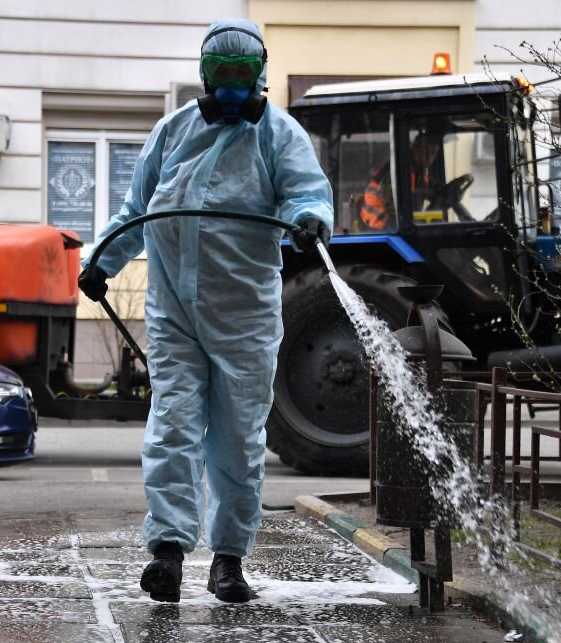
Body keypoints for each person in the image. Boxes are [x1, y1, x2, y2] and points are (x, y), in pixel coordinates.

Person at [76, 18, 333, 604]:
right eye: (223, 75)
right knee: (173, 427)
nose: (233, 89)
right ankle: (167, 552)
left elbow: (307, 192)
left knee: (238, 439)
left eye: (244, 76)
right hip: (174, 312)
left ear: (260, 75)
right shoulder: (172, 132)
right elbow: (137, 209)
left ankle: (229, 559)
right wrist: (102, 262)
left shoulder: (279, 135)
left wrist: (309, 219)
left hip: (245, 317)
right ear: (205, 75)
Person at [360, 132, 442, 230]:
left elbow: (436, 191)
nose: (429, 157)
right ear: (415, 149)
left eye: (433, 153)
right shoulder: (398, 171)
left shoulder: (419, 173)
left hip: (394, 224)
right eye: (425, 152)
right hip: (379, 227)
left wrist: (448, 192)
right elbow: (393, 209)